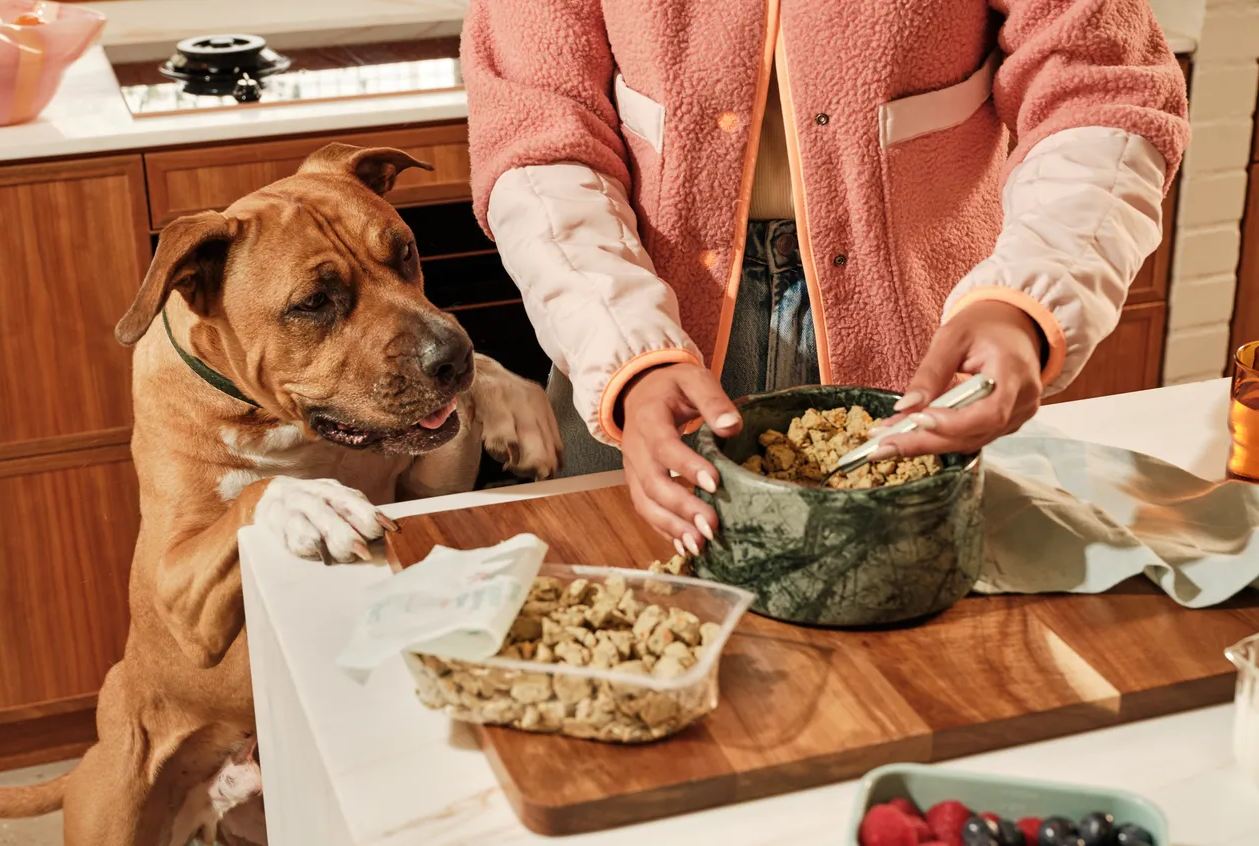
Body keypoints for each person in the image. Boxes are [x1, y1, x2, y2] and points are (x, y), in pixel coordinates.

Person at [461, 0, 1189, 554]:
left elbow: (1101, 89)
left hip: (928, 336)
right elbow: (538, 132)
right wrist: (621, 351)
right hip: (641, 333)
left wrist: (1028, 300)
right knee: (633, 615)